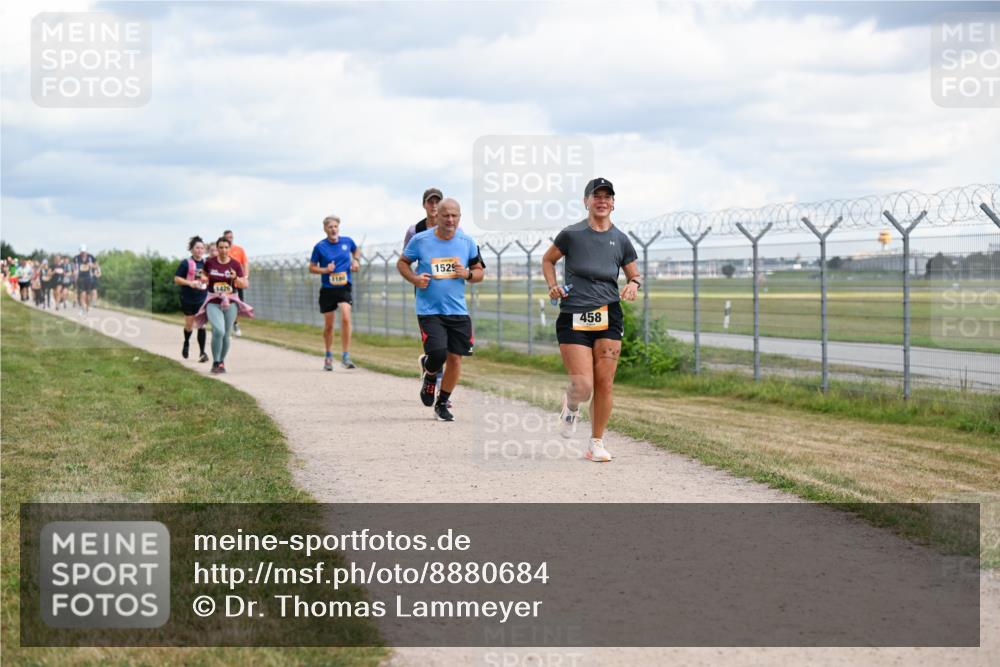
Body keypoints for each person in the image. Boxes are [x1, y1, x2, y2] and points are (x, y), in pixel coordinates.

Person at [541, 178, 640, 463]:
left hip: (609, 314)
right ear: (586, 201)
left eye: (607, 196)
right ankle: (571, 406)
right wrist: (553, 286)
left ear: (613, 203)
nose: (602, 201)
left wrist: (633, 284)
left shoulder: (621, 239)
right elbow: (548, 260)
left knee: (605, 382)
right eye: (596, 196)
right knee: (584, 386)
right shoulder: (571, 234)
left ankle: (596, 443)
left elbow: (634, 274)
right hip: (574, 314)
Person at [397, 198, 485, 421]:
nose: (450, 220)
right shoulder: (421, 240)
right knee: (438, 354)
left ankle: (442, 403)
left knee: (455, 359)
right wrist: (415, 279)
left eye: (454, 215)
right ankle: (430, 372)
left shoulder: (467, 242)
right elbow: (402, 263)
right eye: (446, 215)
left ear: (460, 217)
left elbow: (479, 272)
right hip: (429, 309)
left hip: (458, 310)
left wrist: (467, 274)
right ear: (437, 217)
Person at [193, 237, 253, 374]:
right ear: (217, 248)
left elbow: (244, 284)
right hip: (213, 301)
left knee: (226, 334)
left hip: (230, 302)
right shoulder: (210, 262)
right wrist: (203, 278)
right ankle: (215, 361)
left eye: (226, 247)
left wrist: (235, 278)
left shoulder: (235, 264)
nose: (223, 250)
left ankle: (220, 362)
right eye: (221, 247)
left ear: (229, 248)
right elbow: (203, 275)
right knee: (218, 331)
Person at [308, 215, 360, 370]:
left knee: (345, 317)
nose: (333, 229)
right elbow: (312, 268)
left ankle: (345, 356)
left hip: (344, 286)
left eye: (335, 226)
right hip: (328, 289)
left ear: (339, 228)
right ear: (325, 229)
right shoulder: (320, 247)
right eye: (330, 227)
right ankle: (328, 355)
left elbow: (356, 250)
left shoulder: (347, 241)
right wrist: (325, 269)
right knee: (329, 326)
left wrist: (356, 261)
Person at [173, 236, 210, 363]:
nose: (200, 250)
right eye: (197, 248)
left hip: (202, 298)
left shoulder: (207, 264)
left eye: (202, 248)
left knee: (201, 325)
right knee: (189, 325)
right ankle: (186, 342)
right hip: (188, 298)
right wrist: (190, 283)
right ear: (192, 249)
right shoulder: (186, 263)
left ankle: (202, 353)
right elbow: (177, 279)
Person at [223, 230, 248, 337]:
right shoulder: (222, 250)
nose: (230, 239)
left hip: (237, 282)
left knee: (238, 305)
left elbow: (245, 263)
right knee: (225, 304)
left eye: (231, 237)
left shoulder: (239, 250)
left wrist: (245, 276)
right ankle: (226, 327)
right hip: (225, 283)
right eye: (227, 237)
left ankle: (235, 323)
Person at [74, 244, 97, 315]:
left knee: (88, 296)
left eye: (84, 252)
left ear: (86, 251)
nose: (83, 253)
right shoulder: (76, 258)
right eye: (82, 252)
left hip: (88, 278)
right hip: (80, 278)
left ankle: (87, 306)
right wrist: (75, 274)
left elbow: (96, 266)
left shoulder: (91, 257)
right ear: (80, 251)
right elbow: (75, 267)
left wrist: (92, 265)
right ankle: (82, 309)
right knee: (82, 294)